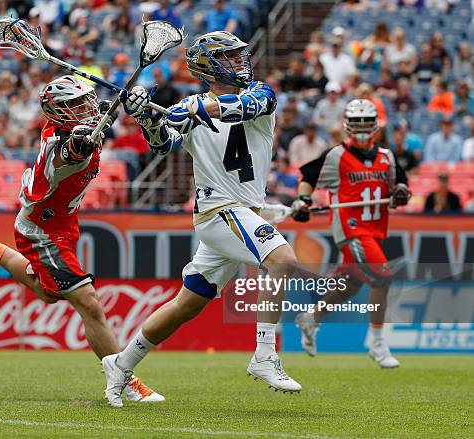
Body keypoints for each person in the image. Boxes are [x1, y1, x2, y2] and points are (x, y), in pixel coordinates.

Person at [104, 31, 303, 408]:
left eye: (239, 56)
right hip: (219, 211)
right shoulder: (190, 105)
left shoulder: (261, 93)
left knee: (188, 304)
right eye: (230, 57)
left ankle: (121, 363)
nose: (240, 62)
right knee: (283, 261)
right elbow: (164, 144)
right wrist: (145, 114)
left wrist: (201, 111)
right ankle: (264, 354)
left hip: (241, 213)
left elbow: (245, 107)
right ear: (208, 65)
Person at [0, 75, 163, 404]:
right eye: (76, 104)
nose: (86, 107)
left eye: (86, 101)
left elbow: (103, 116)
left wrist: (129, 103)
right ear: (59, 113)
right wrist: (81, 142)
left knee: (48, 294)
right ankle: (126, 380)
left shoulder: (80, 125)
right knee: (89, 303)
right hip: (42, 230)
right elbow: (69, 153)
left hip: (62, 223)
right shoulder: (64, 146)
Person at [292, 99, 410, 368]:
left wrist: (400, 192)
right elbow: (308, 177)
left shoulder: (386, 157)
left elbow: (401, 184)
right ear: (347, 125)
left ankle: (311, 317)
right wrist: (303, 200)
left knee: (350, 284)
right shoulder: (337, 155)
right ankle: (378, 343)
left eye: (366, 122)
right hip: (352, 231)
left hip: (376, 230)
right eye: (356, 123)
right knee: (382, 278)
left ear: (375, 125)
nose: (361, 128)